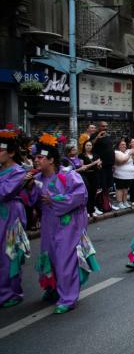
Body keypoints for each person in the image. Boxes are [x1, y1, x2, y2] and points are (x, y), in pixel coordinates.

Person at [25, 133, 100, 314]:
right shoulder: (39, 179)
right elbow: (34, 202)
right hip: (49, 224)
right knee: (49, 255)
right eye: (35, 157)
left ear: (51, 160)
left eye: (40, 157)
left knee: (65, 258)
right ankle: (53, 287)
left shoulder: (68, 175)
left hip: (69, 225)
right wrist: (28, 187)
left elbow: (81, 196)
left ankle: (68, 297)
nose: (36, 161)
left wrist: (55, 200)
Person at [0, 128, 31, 308]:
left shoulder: (18, 172)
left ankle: (12, 292)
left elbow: (5, 193)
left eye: (2, 150)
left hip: (12, 215)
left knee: (9, 253)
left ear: (11, 153)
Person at [91, 121, 115, 212]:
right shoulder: (94, 136)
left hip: (109, 165)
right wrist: (97, 137)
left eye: (106, 126)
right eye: (103, 126)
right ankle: (100, 205)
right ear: (98, 127)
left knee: (108, 185)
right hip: (102, 166)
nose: (105, 128)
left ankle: (107, 204)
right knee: (102, 185)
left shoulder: (107, 136)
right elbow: (90, 145)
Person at [77, 140, 102, 217]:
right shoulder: (81, 155)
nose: (88, 147)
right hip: (86, 175)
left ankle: (92, 210)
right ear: (84, 146)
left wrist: (99, 165)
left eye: (90, 145)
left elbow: (99, 166)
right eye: (87, 145)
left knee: (93, 193)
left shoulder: (96, 155)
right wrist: (93, 163)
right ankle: (87, 210)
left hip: (95, 175)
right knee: (87, 193)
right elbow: (82, 167)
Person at [113, 139, 134, 210]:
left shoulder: (127, 152)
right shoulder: (116, 152)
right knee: (120, 188)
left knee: (126, 189)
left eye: (125, 144)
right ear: (118, 146)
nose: (124, 146)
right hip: (120, 174)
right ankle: (119, 202)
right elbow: (121, 161)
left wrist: (133, 154)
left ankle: (125, 201)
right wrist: (129, 154)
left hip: (129, 175)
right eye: (122, 144)